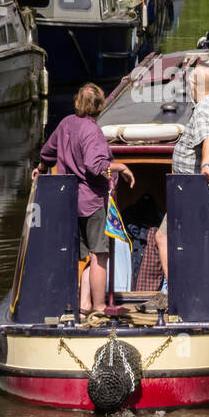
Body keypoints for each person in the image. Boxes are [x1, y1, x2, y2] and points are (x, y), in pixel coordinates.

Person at [32, 83, 135, 318]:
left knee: (88, 255)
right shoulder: (92, 131)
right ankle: (99, 306)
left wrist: (40, 168)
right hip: (92, 202)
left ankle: (84, 303)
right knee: (100, 255)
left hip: (70, 202)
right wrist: (122, 166)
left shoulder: (66, 123)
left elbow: (47, 153)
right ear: (99, 106)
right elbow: (95, 165)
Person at [154, 62, 209, 294]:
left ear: (194, 86)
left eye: (189, 85)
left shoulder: (204, 109)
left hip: (189, 187)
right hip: (200, 188)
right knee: (197, 237)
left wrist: (206, 164)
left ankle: (174, 290)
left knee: (162, 237)